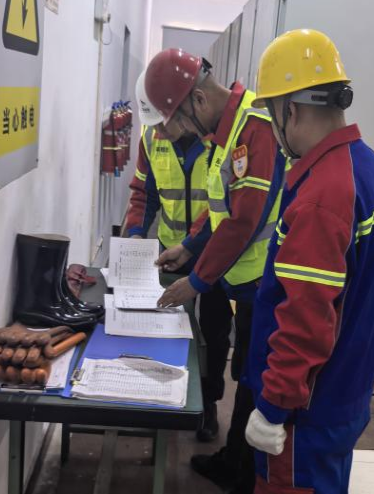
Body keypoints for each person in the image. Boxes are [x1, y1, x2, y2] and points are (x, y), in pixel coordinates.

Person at [242, 29, 374, 494]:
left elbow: (306, 321)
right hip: (344, 396)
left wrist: (272, 409)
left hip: (303, 417)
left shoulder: (322, 195)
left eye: (272, 114)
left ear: (289, 110)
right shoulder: (373, 170)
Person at [145, 49, 286, 494]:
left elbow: (243, 221)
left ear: (199, 100)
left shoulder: (254, 128)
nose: (183, 132)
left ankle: (243, 475)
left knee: (254, 375)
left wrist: (196, 281)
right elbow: (221, 205)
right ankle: (234, 460)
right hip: (243, 281)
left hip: (263, 283)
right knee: (246, 372)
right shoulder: (229, 131)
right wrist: (188, 247)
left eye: (181, 122)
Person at [125, 71, 233, 442]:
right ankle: (163, 391)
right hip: (172, 255)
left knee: (215, 333)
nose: (157, 132)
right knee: (168, 327)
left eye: (162, 123)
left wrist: (194, 244)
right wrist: (135, 236)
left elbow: (227, 204)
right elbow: (143, 193)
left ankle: (209, 402)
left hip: (215, 252)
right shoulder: (150, 139)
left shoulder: (218, 138)